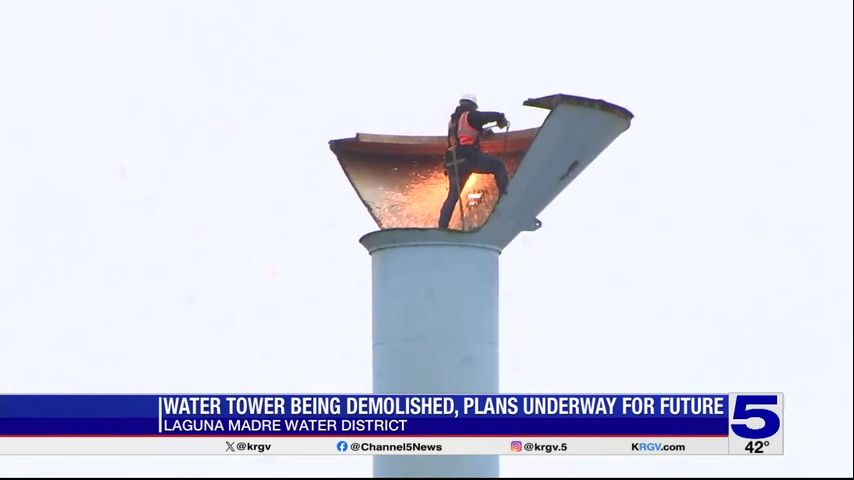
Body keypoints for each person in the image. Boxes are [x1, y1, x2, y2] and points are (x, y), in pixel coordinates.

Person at [438, 94, 510, 229]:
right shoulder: (470, 115)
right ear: (473, 106)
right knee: (498, 165)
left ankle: (442, 227)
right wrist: (501, 117)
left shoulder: (454, 120)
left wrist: (484, 133)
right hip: (468, 158)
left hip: (453, 162)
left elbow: (466, 132)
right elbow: (487, 116)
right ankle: (505, 197)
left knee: (452, 197)